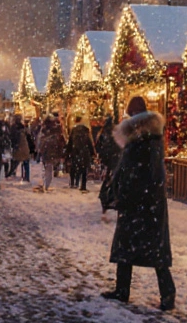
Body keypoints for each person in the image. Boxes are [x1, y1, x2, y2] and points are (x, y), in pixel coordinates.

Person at [104, 96, 175, 312]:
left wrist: (125, 193)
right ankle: (128, 290)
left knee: (137, 248)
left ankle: (160, 294)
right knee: (147, 250)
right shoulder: (149, 139)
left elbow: (135, 172)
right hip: (145, 203)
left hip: (140, 202)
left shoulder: (142, 141)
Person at [96, 114, 122, 212]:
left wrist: (101, 155)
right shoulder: (116, 131)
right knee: (114, 178)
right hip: (116, 158)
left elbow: (99, 145)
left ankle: (106, 197)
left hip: (108, 158)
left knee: (108, 178)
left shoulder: (103, 132)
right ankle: (112, 198)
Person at [37, 112, 67, 192]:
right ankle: (46, 185)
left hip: (47, 152)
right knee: (49, 168)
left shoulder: (44, 130)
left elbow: (40, 141)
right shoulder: (56, 129)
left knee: (47, 168)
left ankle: (45, 184)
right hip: (52, 151)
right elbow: (61, 141)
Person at [69, 115, 96, 193]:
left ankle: (73, 182)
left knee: (74, 167)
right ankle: (83, 186)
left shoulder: (73, 130)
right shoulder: (86, 131)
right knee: (84, 169)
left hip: (75, 151)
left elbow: (70, 142)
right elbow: (89, 142)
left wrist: (68, 152)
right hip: (84, 152)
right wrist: (92, 152)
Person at [9, 114, 33, 182]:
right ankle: (27, 176)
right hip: (24, 146)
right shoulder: (23, 127)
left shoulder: (13, 128)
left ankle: (12, 172)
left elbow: (12, 137)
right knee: (25, 162)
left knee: (15, 160)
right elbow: (29, 137)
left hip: (18, 147)